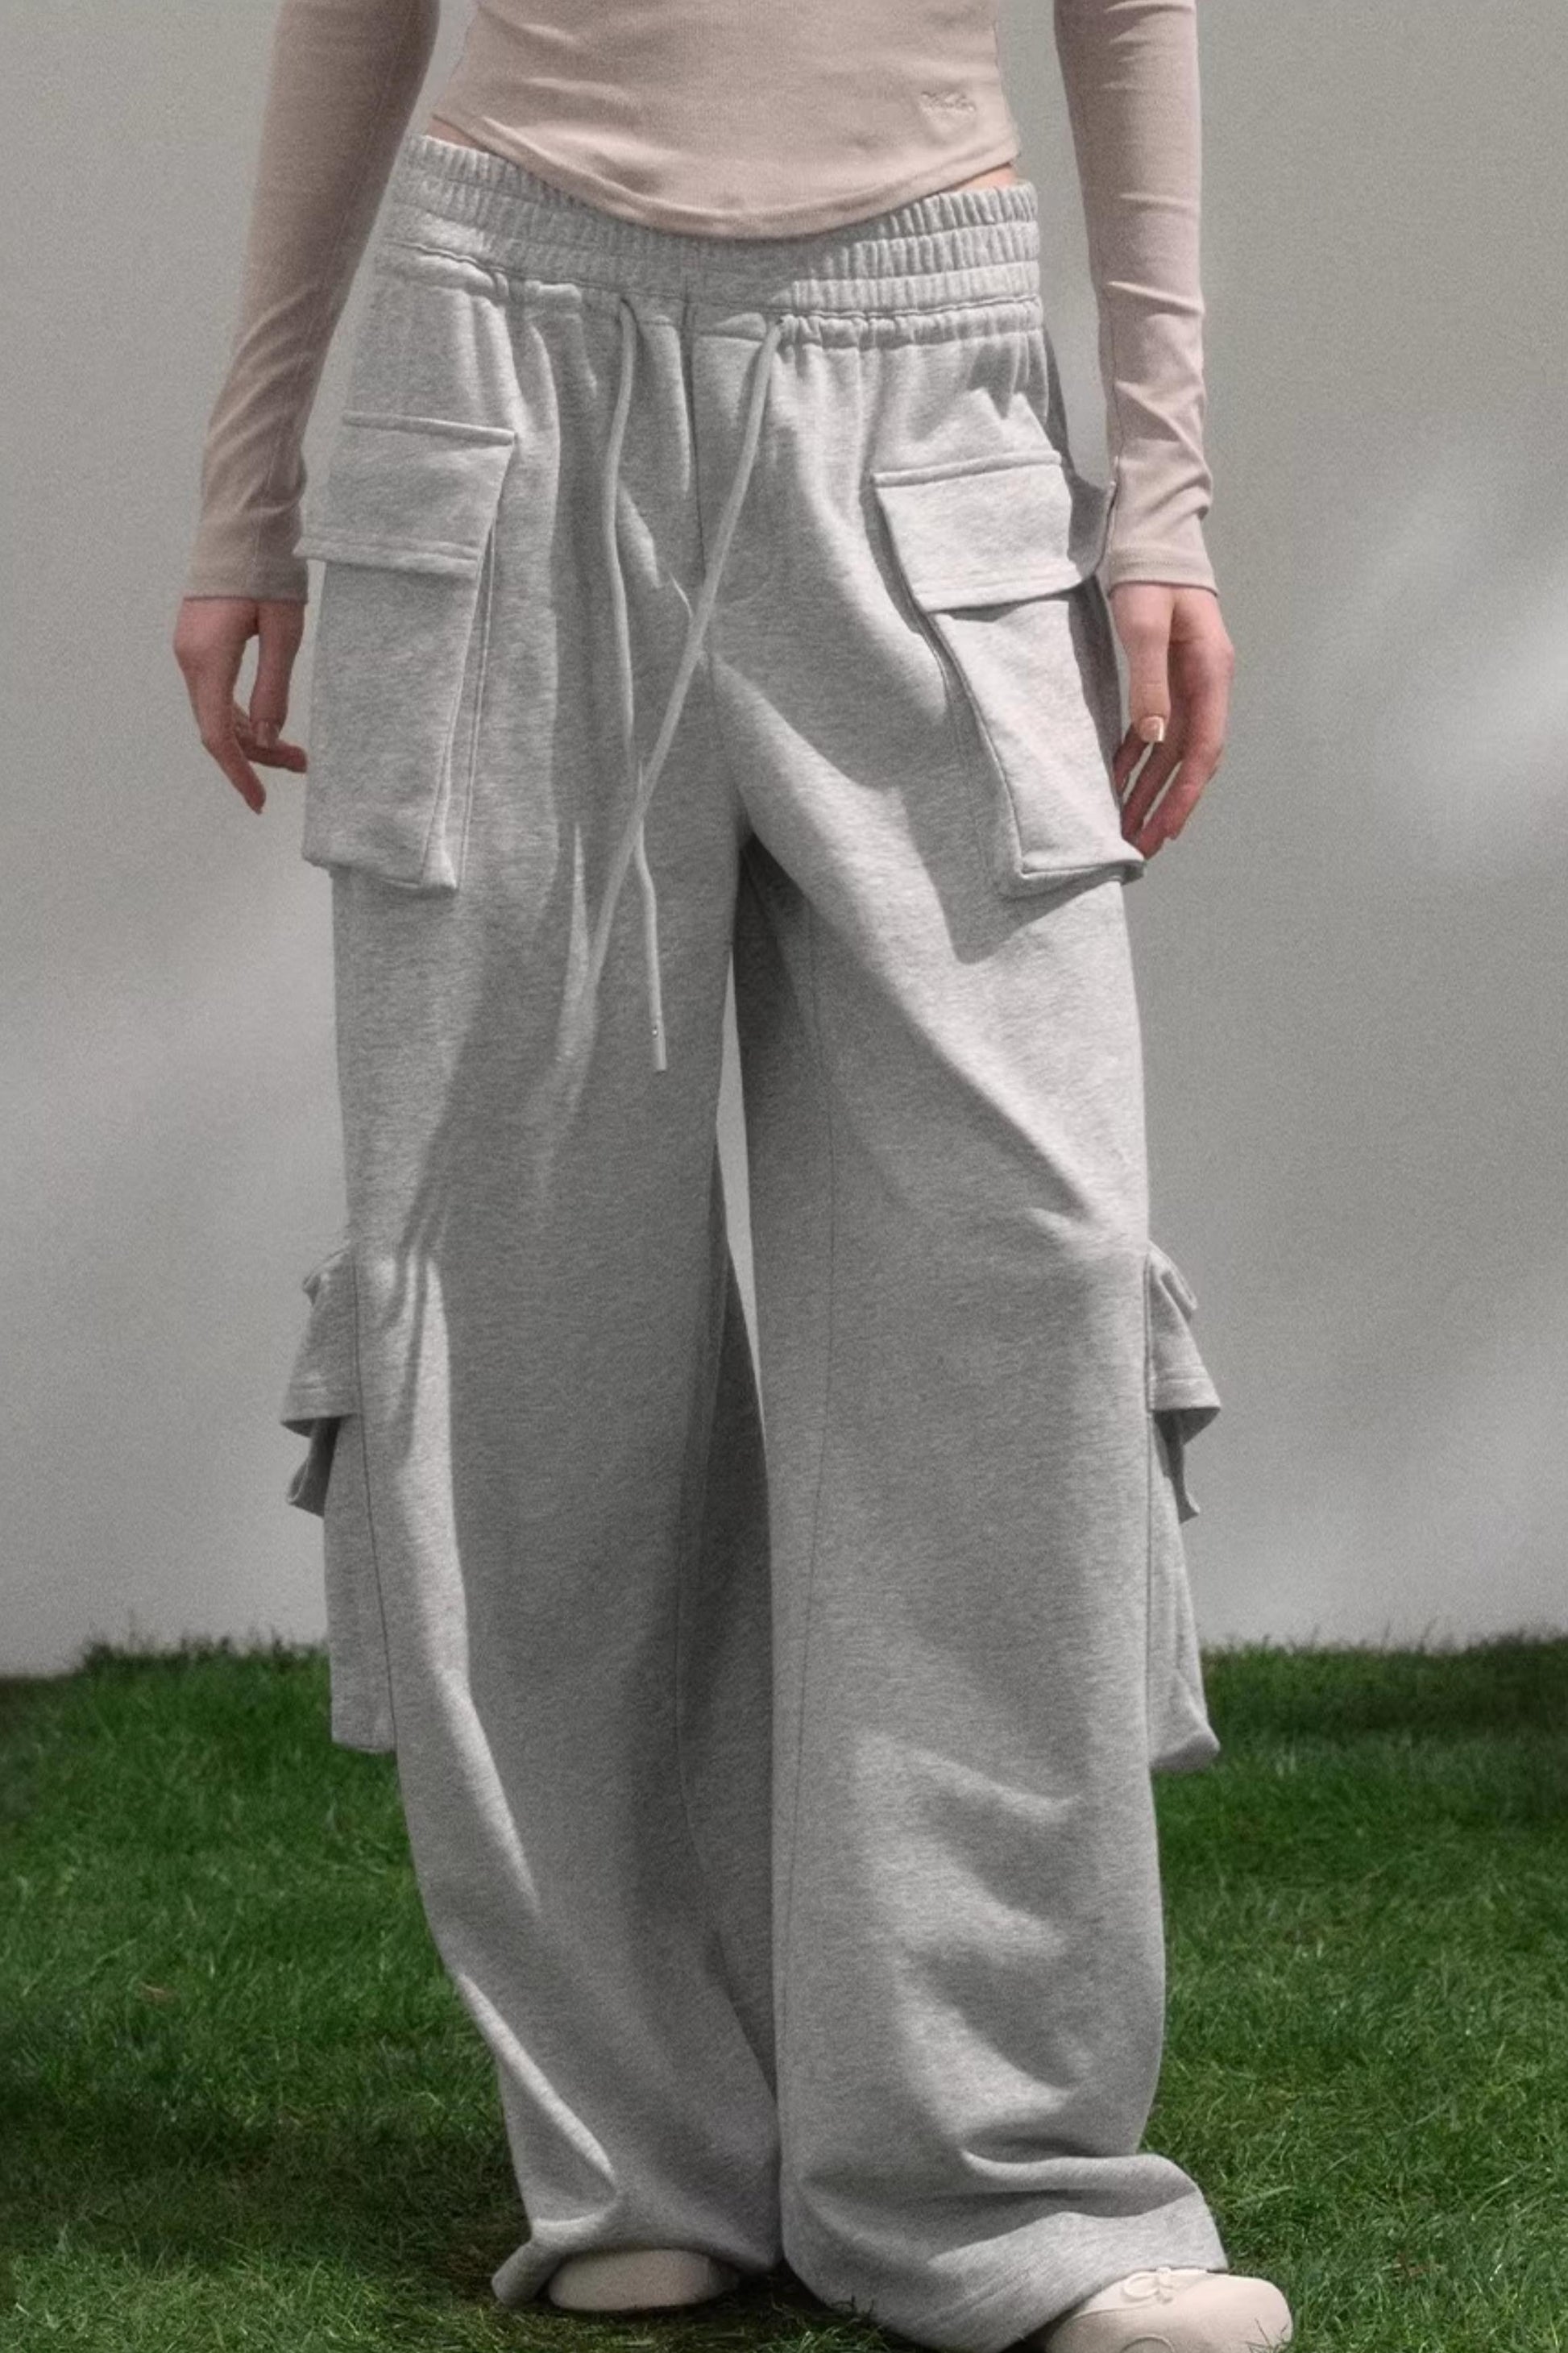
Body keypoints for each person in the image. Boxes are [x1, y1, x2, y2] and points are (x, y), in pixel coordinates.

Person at [170, 5, 1288, 2351]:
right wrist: (242, 489)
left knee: (1025, 1270)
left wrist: (1162, 497)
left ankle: (992, 2179)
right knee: (522, 1308)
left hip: (930, 373)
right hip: (499, 361)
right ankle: (637, 2143)